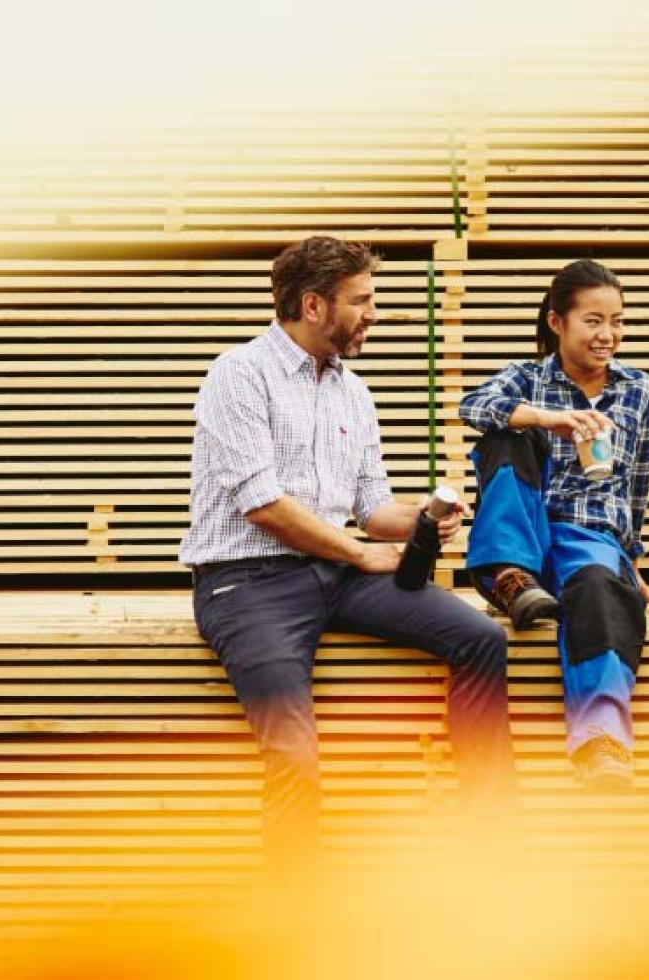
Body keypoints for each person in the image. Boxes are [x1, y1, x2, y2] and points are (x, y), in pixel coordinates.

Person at [179, 236, 515, 866]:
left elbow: (371, 507)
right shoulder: (239, 375)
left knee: (482, 640)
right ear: (313, 305)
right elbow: (263, 504)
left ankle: (491, 851)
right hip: (246, 583)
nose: (374, 314)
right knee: (292, 749)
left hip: (335, 568)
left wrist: (419, 516)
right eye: (362, 301)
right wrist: (361, 556)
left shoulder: (352, 393)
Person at [459, 260, 649, 791]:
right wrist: (549, 418)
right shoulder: (525, 378)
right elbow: (472, 406)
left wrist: (631, 560)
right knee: (507, 435)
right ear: (557, 322)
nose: (608, 335)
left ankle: (601, 741)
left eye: (617, 321)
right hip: (521, 526)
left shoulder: (639, 391)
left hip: (588, 535)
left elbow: (635, 482)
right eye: (593, 321)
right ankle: (510, 576)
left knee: (601, 589)